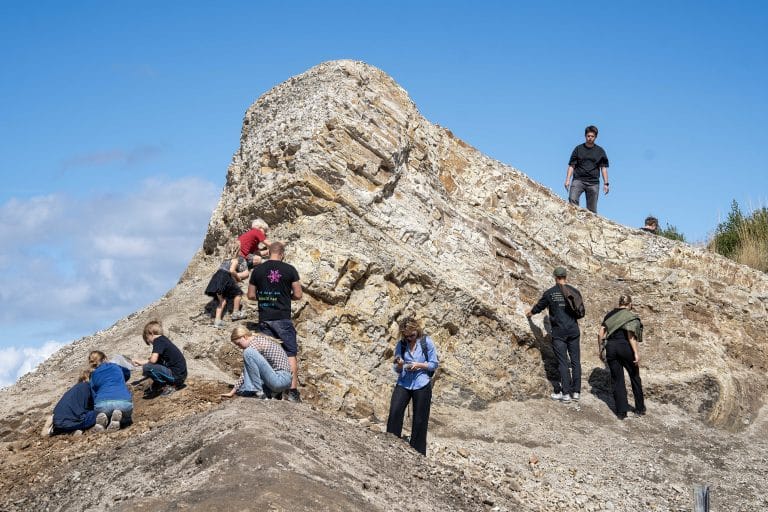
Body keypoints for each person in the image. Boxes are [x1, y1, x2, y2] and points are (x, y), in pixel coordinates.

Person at [248, 241, 303, 402]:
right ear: (282, 254)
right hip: (283, 318)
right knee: (290, 354)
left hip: (265, 318)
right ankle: (292, 392)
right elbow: (298, 294)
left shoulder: (258, 270)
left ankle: (271, 390)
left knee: (268, 354)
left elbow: (250, 295)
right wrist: (285, 297)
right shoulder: (290, 270)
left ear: (269, 252)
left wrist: (265, 298)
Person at [526, 267, 583, 402]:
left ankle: (565, 394)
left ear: (555, 277)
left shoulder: (550, 293)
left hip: (559, 332)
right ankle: (576, 392)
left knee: (563, 362)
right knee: (575, 361)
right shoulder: (574, 291)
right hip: (573, 330)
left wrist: (530, 313)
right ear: (565, 276)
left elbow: (539, 307)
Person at [598, 294, 645, 420]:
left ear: (619, 303)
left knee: (617, 379)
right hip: (625, 348)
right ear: (629, 304)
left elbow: (600, 333)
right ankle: (640, 408)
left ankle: (621, 412)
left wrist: (600, 350)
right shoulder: (629, 316)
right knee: (634, 377)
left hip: (611, 348)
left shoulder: (609, 315)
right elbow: (631, 336)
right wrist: (636, 352)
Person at [221, 326, 292, 399]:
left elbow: (246, 370)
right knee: (243, 390)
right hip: (284, 381)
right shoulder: (258, 340)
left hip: (280, 379)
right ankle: (274, 393)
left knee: (248, 352)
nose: (239, 347)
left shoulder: (255, 344)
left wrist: (233, 391)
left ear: (245, 337)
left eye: (238, 343)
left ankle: (259, 393)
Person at [132, 320, 188, 399]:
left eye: (147, 338)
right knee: (153, 364)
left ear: (151, 333)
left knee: (147, 367)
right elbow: (155, 360)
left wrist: (141, 362)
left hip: (176, 376)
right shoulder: (163, 340)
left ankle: (165, 385)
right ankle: (161, 384)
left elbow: (153, 360)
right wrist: (140, 362)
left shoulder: (158, 341)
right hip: (181, 375)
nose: (149, 342)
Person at [205, 240, 252, 328]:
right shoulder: (235, 260)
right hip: (225, 278)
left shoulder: (225, 260)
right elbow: (232, 271)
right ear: (238, 250)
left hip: (217, 279)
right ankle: (236, 313)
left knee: (222, 300)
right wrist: (238, 278)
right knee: (238, 293)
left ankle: (217, 321)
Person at [564, 125, 610, 213]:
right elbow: (571, 166)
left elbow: (603, 168)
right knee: (572, 199)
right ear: (585, 136)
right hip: (578, 180)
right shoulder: (578, 149)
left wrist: (606, 184)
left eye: (592, 136)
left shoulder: (600, 151)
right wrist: (567, 180)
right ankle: (575, 218)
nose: (590, 138)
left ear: (595, 137)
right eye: (588, 136)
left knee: (592, 210)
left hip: (593, 183)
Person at [88, 351, 133, 431]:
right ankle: (121, 419)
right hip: (122, 401)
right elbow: (127, 374)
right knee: (127, 416)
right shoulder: (116, 366)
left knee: (103, 411)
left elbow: (93, 392)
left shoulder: (93, 374)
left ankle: (102, 421)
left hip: (102, 404)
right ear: (105, 359)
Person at [46, 370, 96, 436]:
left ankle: (69, 431)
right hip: (73, 421)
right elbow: (95, 403)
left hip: (57, 423)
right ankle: (73, 429)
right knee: (97, 412)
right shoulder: (87, 386)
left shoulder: (73, 389)